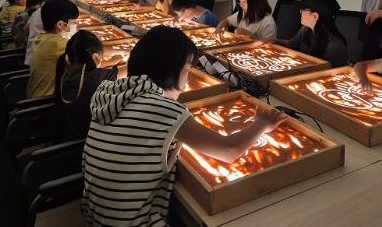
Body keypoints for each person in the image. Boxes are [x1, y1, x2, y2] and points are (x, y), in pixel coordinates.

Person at [82, 26, 286, 227]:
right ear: (171, 69)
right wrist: (261, 123)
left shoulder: (107, 92)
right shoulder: (163, 109)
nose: (187, 79)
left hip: (96, 215)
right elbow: (229, 150)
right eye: (187, 70)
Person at [55, 30, 121, 141]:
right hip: (81, 140)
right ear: (95, 57)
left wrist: (121, 51)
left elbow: (90, 59)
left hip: (64, 128)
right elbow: (126, 70)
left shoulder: (64, 66)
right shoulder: (95, 77)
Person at [261, 0, 348, 66]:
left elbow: (324, 73)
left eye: (303, 10)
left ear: (315, 16)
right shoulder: (306, 29)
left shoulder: (335, 47)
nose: (300, 12)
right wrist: (274, 40)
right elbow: (292, 45)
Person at [26, 0, 79, 99]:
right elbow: (83, 63)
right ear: (60, 25)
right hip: (47, 100)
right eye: (74, 22)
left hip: (35, 95)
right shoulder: (59, 44)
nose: (76, 25)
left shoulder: (41, 37)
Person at [25, 0, 73, 65]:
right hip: (42, 57)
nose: (65, 6)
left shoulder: (40, 11)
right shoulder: (45, 14)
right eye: (63, 2)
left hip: (37, 53)